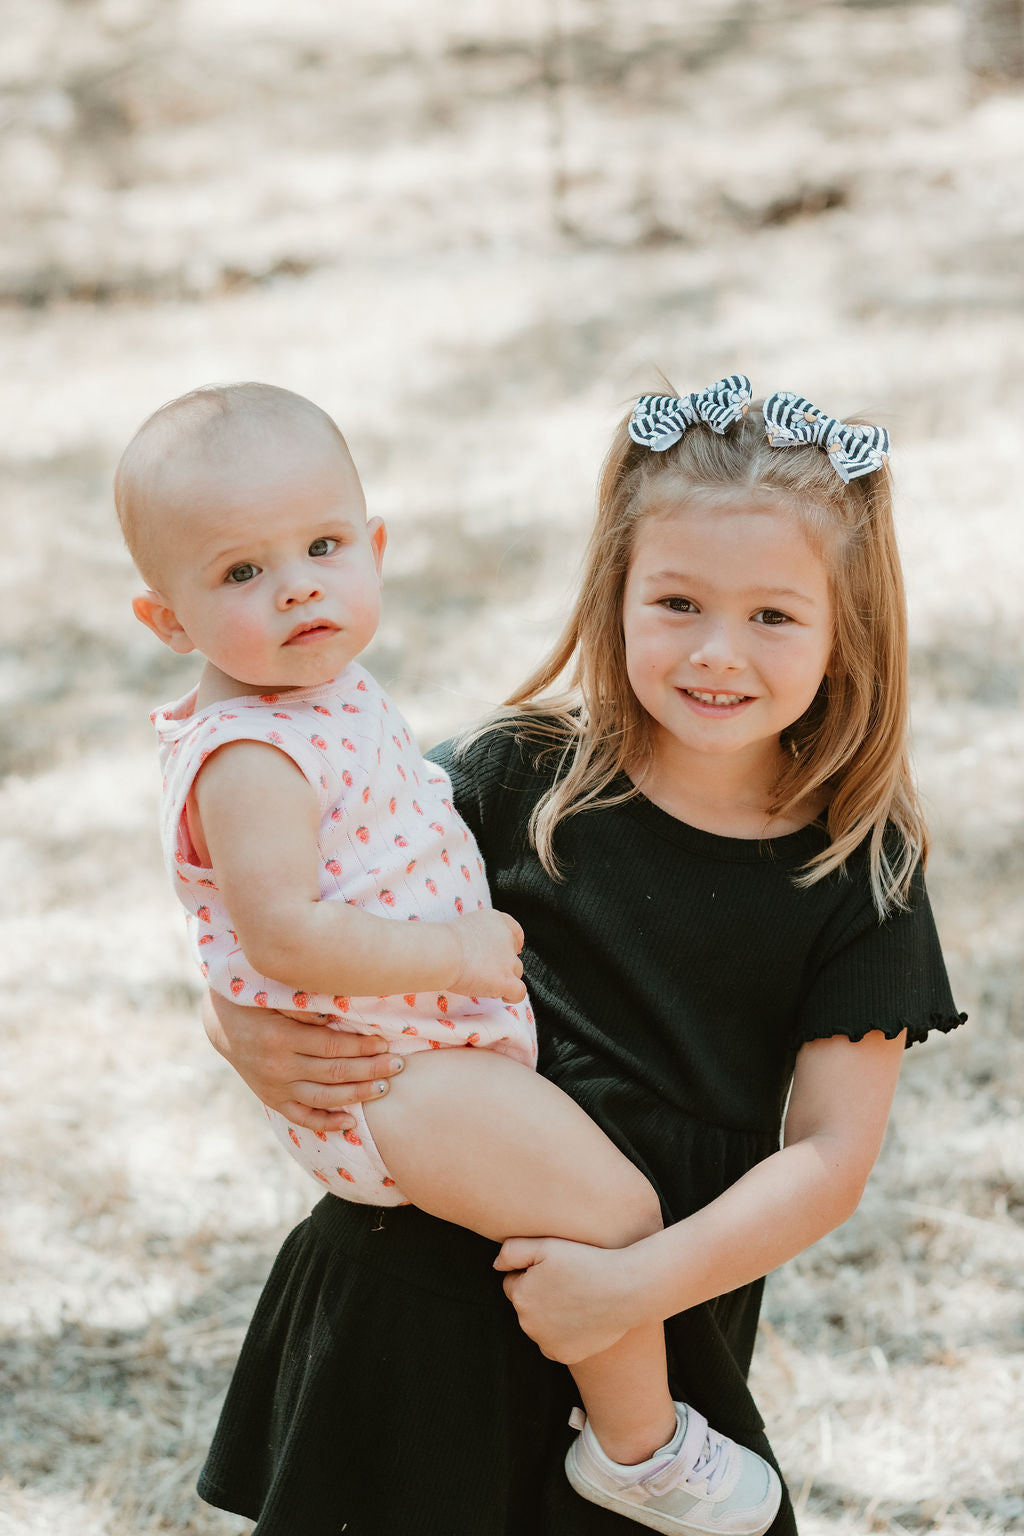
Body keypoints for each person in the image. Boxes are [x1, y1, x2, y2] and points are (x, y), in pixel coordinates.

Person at [196, 373, 964, 1536]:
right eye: (675, 602)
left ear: (845, 625)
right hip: (413, 1294)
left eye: (771, 615)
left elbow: (830, 1155)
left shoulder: (861, 869)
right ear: (614, 590)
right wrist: (234, 1033)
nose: (718, 652)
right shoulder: (514, 776)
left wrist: (630, 1286)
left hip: (646, 1332)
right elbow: (280, 909)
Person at [118, 380, 783, 1536]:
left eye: (324, 545)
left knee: (602, 1219)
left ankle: (624, 1440)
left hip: (423, 1062)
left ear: (373, 547)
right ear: (167, 621)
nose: (297, 586)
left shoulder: (321, 701)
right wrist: (458, 951)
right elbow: (279, 934)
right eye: (240, 573)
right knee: (616, 1212)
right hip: (397, 1074)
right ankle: (638, 1450)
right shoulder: (247, 756)